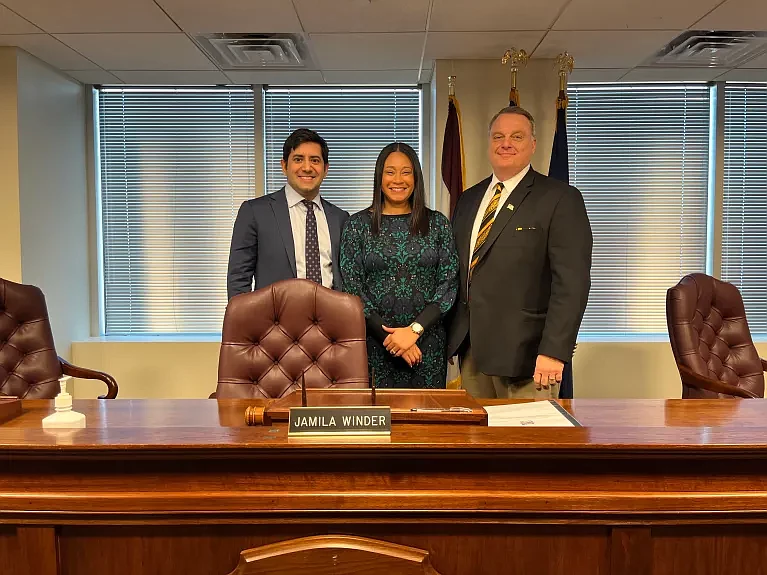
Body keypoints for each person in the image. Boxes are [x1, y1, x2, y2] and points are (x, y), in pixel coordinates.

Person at [446, 106, 592, 398]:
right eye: (498, 136)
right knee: (479, 441)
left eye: (517, 136)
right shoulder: (468, 199)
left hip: (529, 358)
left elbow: (572, 283)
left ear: (533, 144)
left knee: (525, 443)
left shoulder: (560, 199)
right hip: (473, 353)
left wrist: (554, 350)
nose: (506, 143)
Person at [340, 142, 459, 389]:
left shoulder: (437, 224)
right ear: (379, 177)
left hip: (426, 347)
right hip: (375, 346)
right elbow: (353, 289)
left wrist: (413, 331)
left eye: (406, 172)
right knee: (377, 423)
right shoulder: (357, 226)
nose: (398, 180)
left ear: (416, 177)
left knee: (427, 423)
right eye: (390, 171)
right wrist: (392, 339)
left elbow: (448, 286)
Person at [227, 128, 349, 299]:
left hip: (329, 321)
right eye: (298, 159)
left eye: (315, 160)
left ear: (326, 169)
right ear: (284, 166)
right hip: (274, 322)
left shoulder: (340, 218)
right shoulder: (255, 212)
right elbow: (238, 279)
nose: (307, 167)